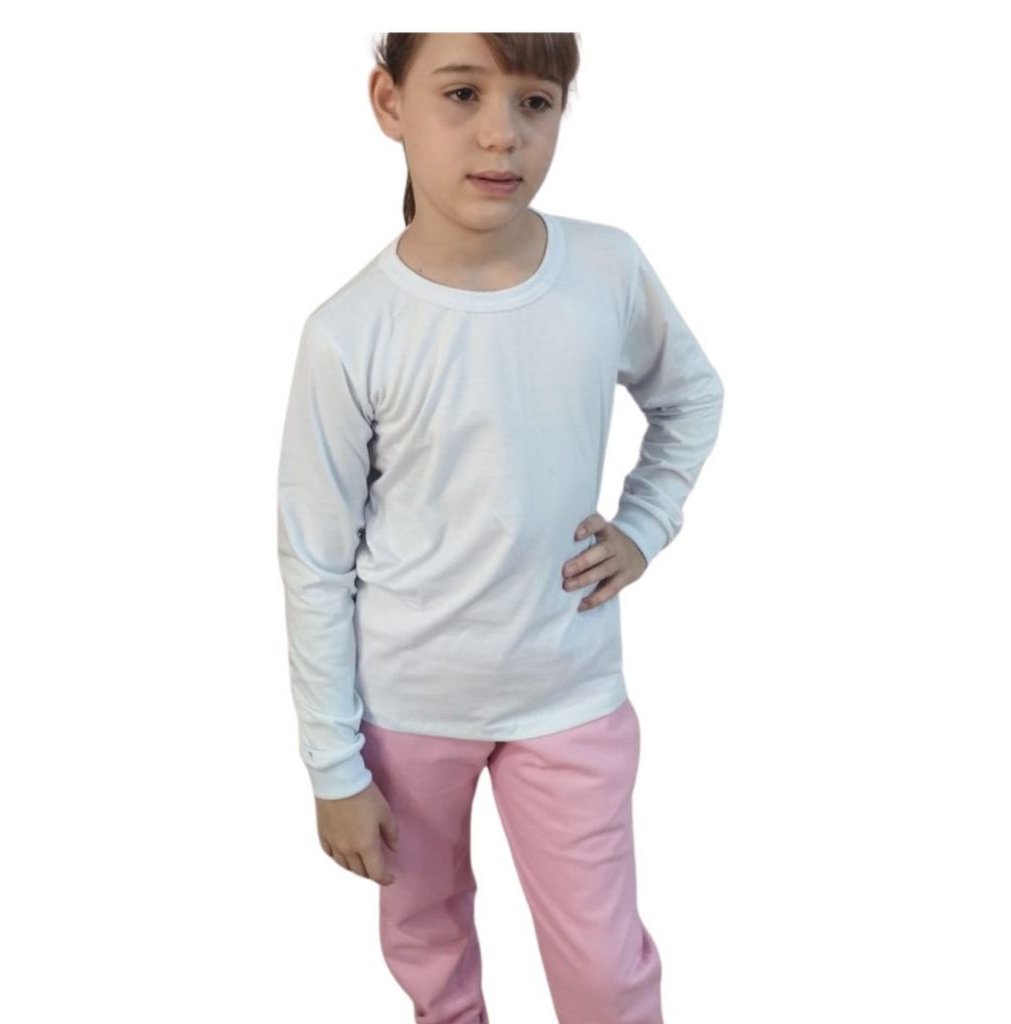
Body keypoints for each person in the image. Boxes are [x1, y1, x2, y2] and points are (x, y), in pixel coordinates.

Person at [276, 31, 725, 1024]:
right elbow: (314, 557)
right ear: (389, 103)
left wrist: (645, 525)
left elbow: (690, 395)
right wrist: (333, 765)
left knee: (604, 967)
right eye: (462, 94)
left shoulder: (605, 268)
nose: (501, 134)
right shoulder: (350, 331)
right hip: (407, 708)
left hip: (570, 692)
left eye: (535, 102)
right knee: (430, 949)